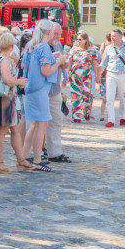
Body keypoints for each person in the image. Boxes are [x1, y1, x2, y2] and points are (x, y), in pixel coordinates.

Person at [22, 19, 60, 172]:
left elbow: (24, 65)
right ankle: (37, 159)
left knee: (35, 124)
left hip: (30, 88)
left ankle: (25, 157)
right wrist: (58, 62)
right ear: (49, 32)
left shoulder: (31, 45)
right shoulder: (44, 47)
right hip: (39, 89)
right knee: (41, 124)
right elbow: (46, 71)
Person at [0, 32, 31, 172]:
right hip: (5, 97)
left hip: (8, 97)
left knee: (15, 128)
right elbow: (8, 80)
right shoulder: (4, 60)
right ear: (12, 45)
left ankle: (20, 159)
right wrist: (19, 82)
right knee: (2, 130)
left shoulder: (0, 58)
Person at [44, 24, 72, 163]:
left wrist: (64, 63)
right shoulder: (40, 45)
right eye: (55, 34)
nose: (57, 37)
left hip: (55, 88)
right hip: (41, 89)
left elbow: (64, 66)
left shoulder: (58, 45)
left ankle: (54, 152)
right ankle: (36, 152)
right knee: (38, 123)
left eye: (59, 34)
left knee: (56, 120)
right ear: (48, 32)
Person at [67, 32, 100, 122]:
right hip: (75, 75)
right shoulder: (73, 49)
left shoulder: (92, 50)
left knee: (86, 95)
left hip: (86, 76)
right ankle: (76, 116)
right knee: (75, 95)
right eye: (77, 39)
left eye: (80, 39)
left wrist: (97, 75)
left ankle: (86, 112)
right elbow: (69, 62)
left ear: (85, 40)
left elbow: (95, 64)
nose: (78, 41)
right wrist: (67, 73)